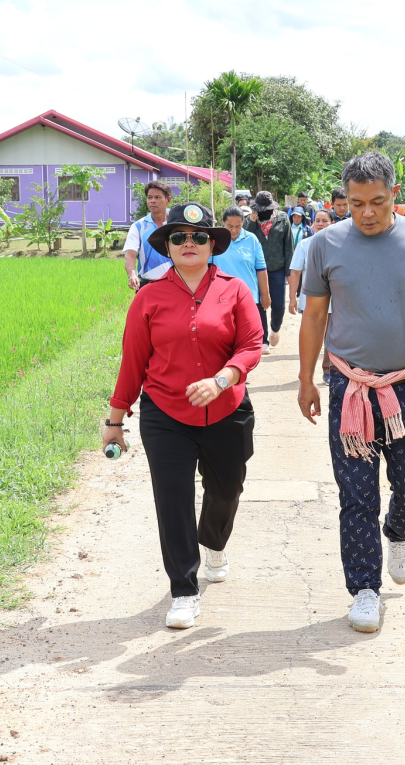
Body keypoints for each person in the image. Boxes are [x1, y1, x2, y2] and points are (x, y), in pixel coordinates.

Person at [298, 152, 405, 633]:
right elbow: (313, 317)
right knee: (356, 496)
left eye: (376, 202)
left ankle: (398, 533)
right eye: (355, 203)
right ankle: (365, 589)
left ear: (394, 194)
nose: (366, 213)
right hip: (350, 390)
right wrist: (308, 378)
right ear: (344, 199)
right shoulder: (324, 244)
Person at [106, 202, 264, 629]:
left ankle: (214, 542)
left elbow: (251, 344)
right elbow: (133, 361)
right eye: (179, 237)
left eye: (198, 237)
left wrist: (224, 378)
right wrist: (115, 421)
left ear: (212, 244)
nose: (188, 243)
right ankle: (184, 589)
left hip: (227, 411)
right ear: (168, 247)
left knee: (227, 490)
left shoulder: (234, 289)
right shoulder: (149, 297)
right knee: (172, 500)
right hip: (165, 414)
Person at [214, 206, 273, 354]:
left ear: (243, 223)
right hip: (221, 297)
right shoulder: (214, 241)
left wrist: (265, 294)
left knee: (246, 336)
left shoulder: (251, 240)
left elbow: (261, 268)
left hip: (249, 297)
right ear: (222, 223)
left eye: (238, 226)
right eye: (230, 226)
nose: (234, 230)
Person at [244, 191, 294, 350]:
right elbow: (244, 240)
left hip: (277, 269)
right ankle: (263, 339)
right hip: (256, 270)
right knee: (259, 304)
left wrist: (289, 271)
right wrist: (251, 223)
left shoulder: (282, 218)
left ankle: (275, 328)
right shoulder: (250, 220)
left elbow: (288, 246)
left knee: (278, 305)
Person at [287, 209, 333, 381]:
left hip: (335, 301)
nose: (320, 224)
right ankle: (307, 373)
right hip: (311, 302)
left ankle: (328, 370)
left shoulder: (340, 245)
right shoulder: (305, 245)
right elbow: (296, 271)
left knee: (332, 337)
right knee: (312, 338)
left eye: (325, 221)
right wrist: (292, 298)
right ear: (313, 224)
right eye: (318, 221)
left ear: (332, 223)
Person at [124, 181, 173, 290]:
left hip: (176, 284)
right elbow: (130, 255)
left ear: (168, 200)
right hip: (148, 285)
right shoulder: (138, 227)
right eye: (149, 197)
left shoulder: (176, 224)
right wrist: (132, 275)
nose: (153, 201)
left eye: (157, 197)